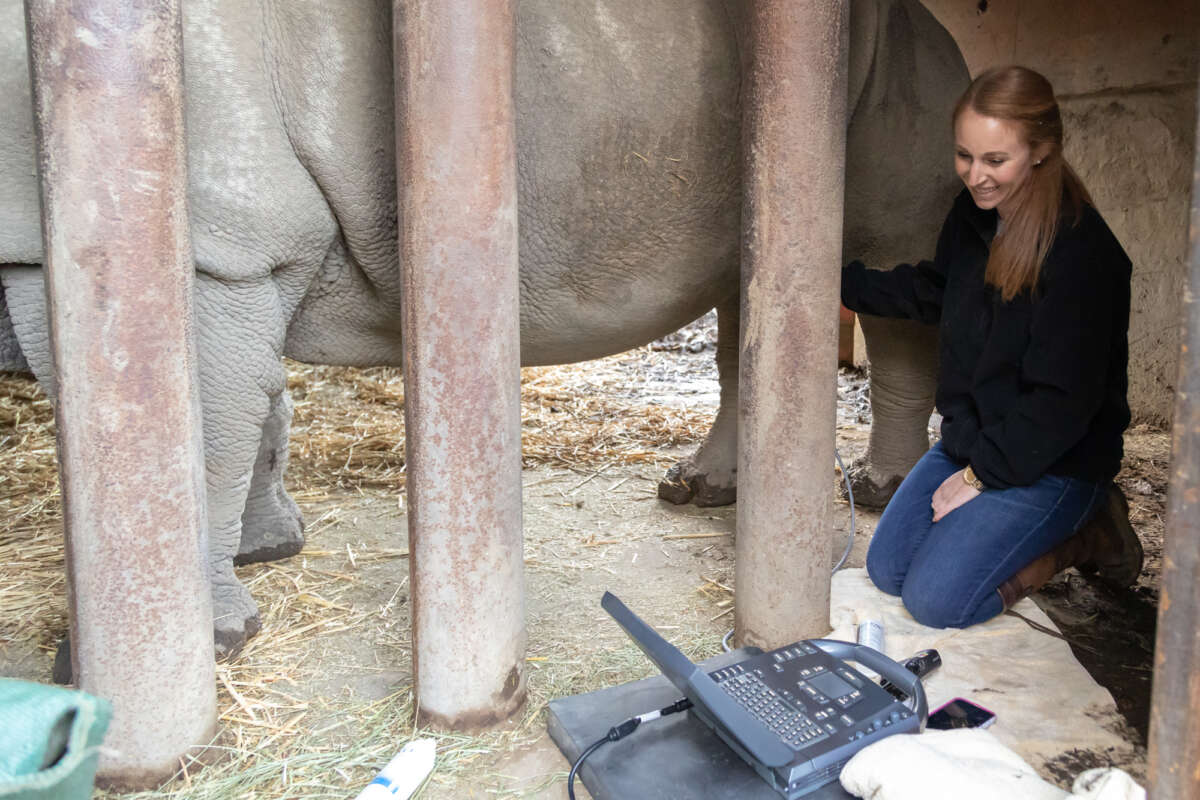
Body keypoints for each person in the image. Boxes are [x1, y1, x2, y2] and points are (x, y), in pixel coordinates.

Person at [841, 65, 1142, 629]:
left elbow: (1061, 406)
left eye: (995, 160)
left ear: (1042, 151)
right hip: (974, 439)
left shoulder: (1084, 255)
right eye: (964, 156)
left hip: (1054, 461)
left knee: (937, 602)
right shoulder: (973, 215)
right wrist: (837, 282)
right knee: (887, 570)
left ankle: (1090, 531)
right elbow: (937, 290)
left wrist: (978, 479)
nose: (975, 176)